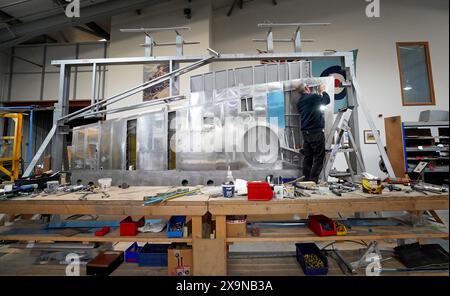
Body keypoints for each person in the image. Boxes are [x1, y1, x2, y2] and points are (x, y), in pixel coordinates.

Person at [296, 83, 331, 183]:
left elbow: (311, 108)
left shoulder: (299, 102)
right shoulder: (313, 97)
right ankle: (313, 181)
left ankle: (307, 180)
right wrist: (323, 91)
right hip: (315, 132)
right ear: (307, 88)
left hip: (306, 134)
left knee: (308, 157)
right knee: (319, 157)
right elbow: (326, 100)